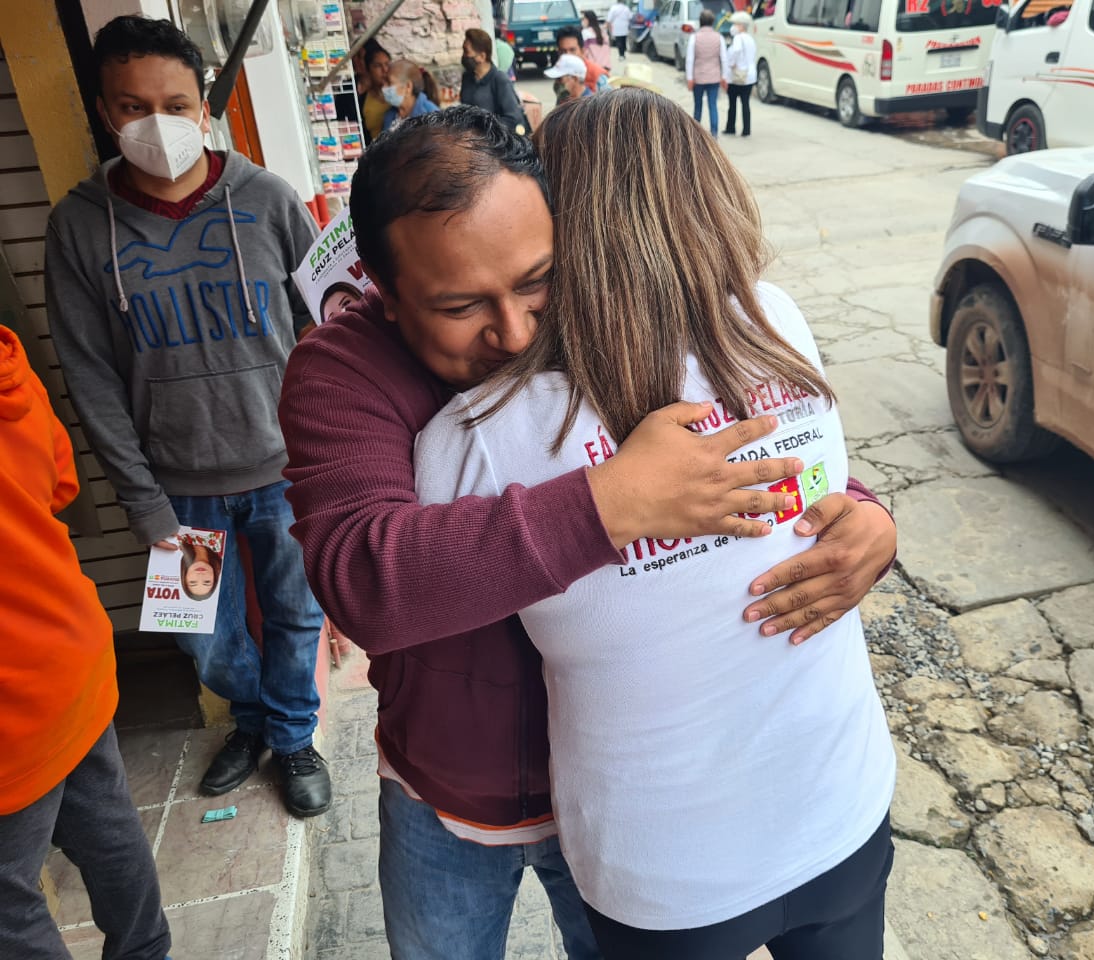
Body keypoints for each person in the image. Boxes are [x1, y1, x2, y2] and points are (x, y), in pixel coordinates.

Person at [280, 107, 897, 960]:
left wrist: (865, 512)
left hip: (629, 809)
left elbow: (762, 433)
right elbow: (362, 578)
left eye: (537, 278)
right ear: (383, 291)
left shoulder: (612, 329)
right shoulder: (343, 372)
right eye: (461, 305)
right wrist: (608, 503)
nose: (518, 333)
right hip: (460, 793)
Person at [44, 15, 332, 819]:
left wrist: (328, 458)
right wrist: (142, 499)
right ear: (105, 112)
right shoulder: (77, 226)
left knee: (296, 614)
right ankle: (249, 721)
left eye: (175, 102)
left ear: (203, 104)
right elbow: (90, 376)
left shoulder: (269, 201)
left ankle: (294, 733)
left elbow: (328, 334)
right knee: (201, 639)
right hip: (176, 490)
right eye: (133, 107)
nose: (157, 124)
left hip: (284, 476)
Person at [0, 325, 172, 960]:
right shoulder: (10, 364)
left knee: (6, 906)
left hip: (9, 702)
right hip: (70, 650)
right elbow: (60, 487)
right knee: (107, 828)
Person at [460, 28, 528, 133]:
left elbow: (513, 119)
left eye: (467, 52)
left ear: (482, 56)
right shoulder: (467, 78)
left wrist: (482, 126)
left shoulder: (500, 80)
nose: (464, 56)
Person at [686, 9, 728, 139]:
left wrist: (690, 78)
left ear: (700, 22)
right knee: (713, 105)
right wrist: (724, 76)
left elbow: (690, 59)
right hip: (714, 77)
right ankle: (714, 133)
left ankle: (696, 134)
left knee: (698, 106)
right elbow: (724, 58)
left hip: (698, 77)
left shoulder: (694, 37)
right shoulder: (719, 37)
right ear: (712, 22)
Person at [381, 58, 441, 135]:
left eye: (389, 83)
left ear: (408, 87)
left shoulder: (431, 115)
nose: (383, 87)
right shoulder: (390, 115)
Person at [723, 11, 757, 136]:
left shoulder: (738, 38)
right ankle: (746, 130)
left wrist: (731, 63)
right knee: (745, 104)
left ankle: (730, 127)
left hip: (737, 77)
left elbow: (735, 51)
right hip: (749, 77)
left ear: (741, 26)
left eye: (735, 24)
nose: (733, 27)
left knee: (732, 104)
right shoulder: (751, 39)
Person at [555, 26, 610, 92]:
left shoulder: (598, 77)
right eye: (563, 51)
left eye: (572, 50)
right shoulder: (560, 74)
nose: (568, 55)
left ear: (582, 51)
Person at [361, 41, 393, 141]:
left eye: (387, 64)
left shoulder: (400, 94)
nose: (384, 70)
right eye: (378, 66)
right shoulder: (362, 100)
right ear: (368, 70)